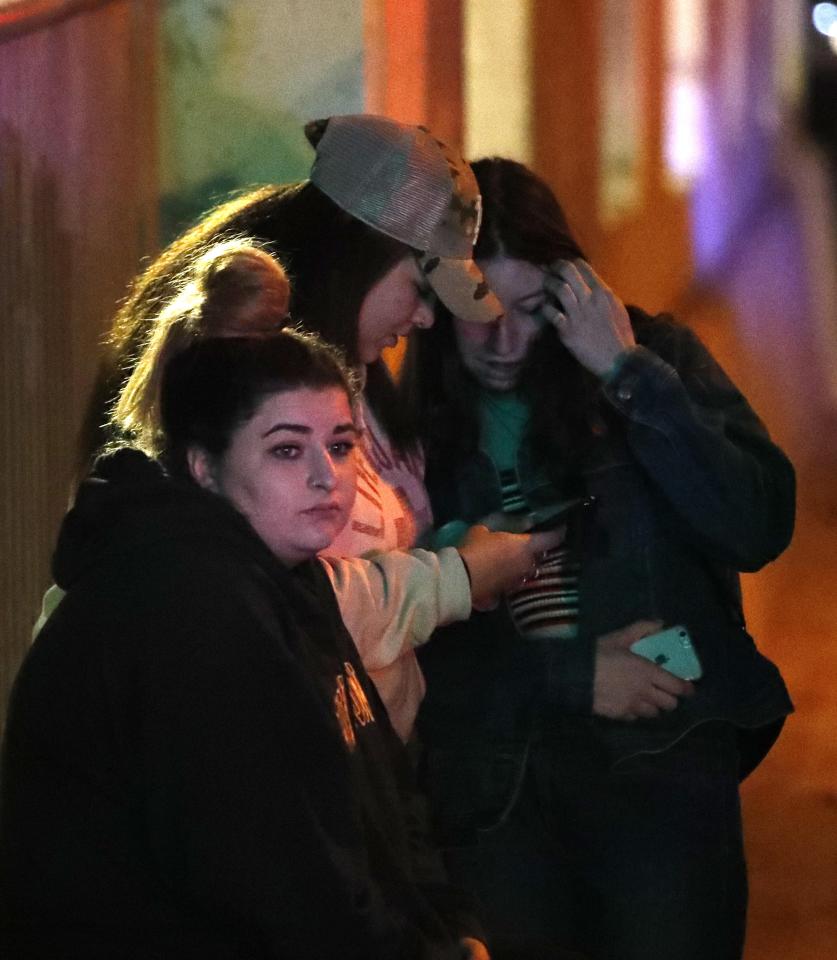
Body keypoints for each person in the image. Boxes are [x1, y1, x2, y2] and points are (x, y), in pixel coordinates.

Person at [1, 326, 538, 958]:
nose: (326, 477)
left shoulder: (284, 575)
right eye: (287, 451)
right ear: (205, 467)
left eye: (341, 446)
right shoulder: (190, 604)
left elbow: (385, 804)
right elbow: (277, 881)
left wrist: (453, 927)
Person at [401, 157, 796, 960]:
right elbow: (409, 633)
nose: (503, 342)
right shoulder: (408, 417)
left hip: (654, 774)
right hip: (497, 788)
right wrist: (570, 674)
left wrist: (622, 371)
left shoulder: (648, 360)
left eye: (530, 309)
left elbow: (755, 523)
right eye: (479, 310)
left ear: (570, 293)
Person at [73, 114, 504, 742]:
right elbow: (276, 606)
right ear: (359, 253)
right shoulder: (256, 380)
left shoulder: (354, 367)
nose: (425, 318)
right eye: (419, 288)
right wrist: (455, 579)